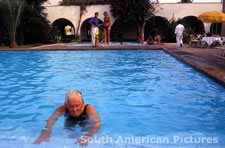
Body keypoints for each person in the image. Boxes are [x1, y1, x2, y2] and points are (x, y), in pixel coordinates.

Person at [33, 90, 101, 147]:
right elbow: (50, 121)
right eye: (71, 106)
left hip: (85, 120)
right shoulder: (62, 108)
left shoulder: (89, 109)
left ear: (82, 103)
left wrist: (89, 135)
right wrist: (45, 134)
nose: (74, 109)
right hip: (70, 119)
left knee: (85, 131)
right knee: (68, 132)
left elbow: (97, 123)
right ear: (65, 104)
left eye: (77, 105)